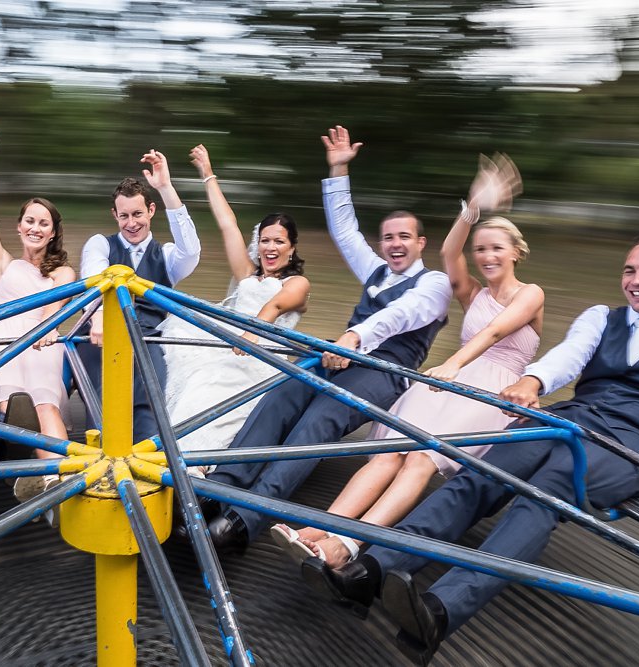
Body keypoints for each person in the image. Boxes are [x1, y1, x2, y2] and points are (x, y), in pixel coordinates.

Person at [305, 233, 639, 666]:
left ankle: (440, 610)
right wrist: (532, 382)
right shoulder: (602, 318)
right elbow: (568, 357)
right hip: (569, 420)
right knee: (481, 474)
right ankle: (370, 571)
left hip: (629, 443)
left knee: (546, 489)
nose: (636, 281)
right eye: (630, 270)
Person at [276, 155, 541, 568]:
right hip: (452, 380)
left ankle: (347, 544)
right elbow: (451, 249)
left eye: (497, 249)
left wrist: (452, 365)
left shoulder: (531, 293)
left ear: (516, 252)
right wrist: (473, 205)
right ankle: (321, 526)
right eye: (482, 250)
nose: (487, 256)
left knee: (420, 458)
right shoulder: (473, 293)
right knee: (388, 453)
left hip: (490, 389)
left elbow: (495, 332)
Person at [199, 125, 452, 554]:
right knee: (280, 396)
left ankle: (244, 519)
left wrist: (354, 336)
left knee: (317, 423)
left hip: (383, 372)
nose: (394, 244)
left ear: (420, 243)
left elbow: (398, 316)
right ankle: (221, 487)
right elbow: (345, 230)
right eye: (388, 237)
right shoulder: (374, 270)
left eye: (404, 237)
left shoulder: (435, 284)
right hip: (339, 354)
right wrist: (337, 171)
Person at [158, 145, 311, 463]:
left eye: (279, 241)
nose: (270, 247)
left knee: (216, 395)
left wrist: (252, 334)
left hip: (260, 357)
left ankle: (193, 464)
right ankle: (169, 456)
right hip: (228, 347)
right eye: (265, 240)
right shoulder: (247, 274)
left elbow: (277, 306)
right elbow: (228, 224)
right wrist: (207, 173)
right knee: (192, 386)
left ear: (292, 249)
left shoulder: (296, 283)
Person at [0, 119, 76, 503]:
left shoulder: (62, 271)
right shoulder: (2, 263)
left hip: (42, 339)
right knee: (12, 398)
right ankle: (10, 447)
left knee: (44, 401)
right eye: (29, 220)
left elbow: (58, 305)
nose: (35, 227)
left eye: (43, 223)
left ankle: (59, 475)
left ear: (51, 232)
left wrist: (47, 327)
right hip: (2, 338)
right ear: (18, 227)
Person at [77, 150, 201, 442]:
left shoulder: (167, 256)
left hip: (148, 337)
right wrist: (99, 318)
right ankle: (99, 461)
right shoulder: (100, 244)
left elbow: (191, 252)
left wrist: (166, 187)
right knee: (103, 392)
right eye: (124, 216)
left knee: (151, 393)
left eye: (137, 214)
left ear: (151, 211)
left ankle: (148, 462)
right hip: (103, 331)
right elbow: (93, 280)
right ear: (114, 216)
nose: (131, 223)